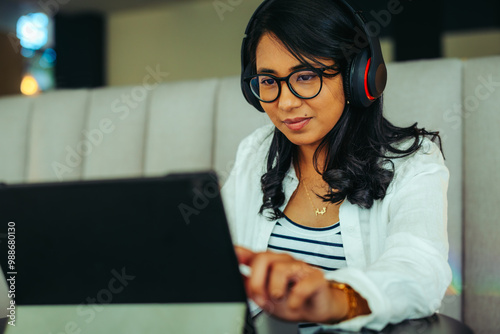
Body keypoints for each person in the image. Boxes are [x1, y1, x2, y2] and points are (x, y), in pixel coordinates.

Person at [221, 0, 452, 332]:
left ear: (357, 76)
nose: (285, 103)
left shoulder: (414, 163)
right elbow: (215, 259)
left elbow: (419, 270)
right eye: (268, 81)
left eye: (305, 76)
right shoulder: (255, 153)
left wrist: (335, 297)